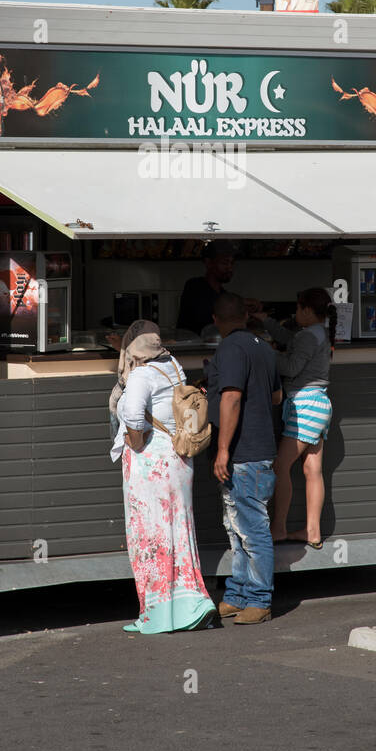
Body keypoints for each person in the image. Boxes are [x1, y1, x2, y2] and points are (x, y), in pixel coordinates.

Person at [112, 319, 216, 635]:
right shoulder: (171, 363)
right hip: (179, 459)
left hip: (150, 463)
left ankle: (155, 615)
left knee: (149, 536)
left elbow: (132, 413)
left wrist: (136, 441)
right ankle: (192, 605)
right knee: (179, 532)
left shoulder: (141, 373)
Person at [207, 292, 282, 624]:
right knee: (237, 528)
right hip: (260, 449)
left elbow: (232, 397)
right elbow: (277, 395)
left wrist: (223, 449)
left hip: (244, 454)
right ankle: (238, 595)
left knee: (251, 529)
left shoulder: (231, 348)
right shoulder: (262, 345)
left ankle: (260, 599)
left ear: (216, 319)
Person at [247, 288, 335, 548]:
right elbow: (289, 339)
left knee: (279, 466)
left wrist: (263, 351)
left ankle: (278, 528)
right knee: (312, 470)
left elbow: (291, 366)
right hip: (319, 404)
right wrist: (265, 321)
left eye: (297, 309)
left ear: (307, 310)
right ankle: (312, 531)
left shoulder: (309, 335)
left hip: (305, 405)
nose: (295, 314)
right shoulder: (318, 332)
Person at [176, 242, 235, 337]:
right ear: (208, 263)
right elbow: (205, 315)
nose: (230, 268)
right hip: (192, 347)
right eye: (224, 263)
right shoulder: (194, 286)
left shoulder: (223, 293)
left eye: (231, 263)